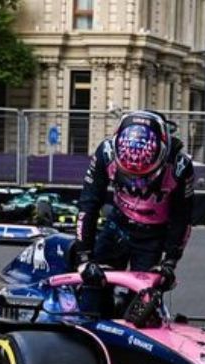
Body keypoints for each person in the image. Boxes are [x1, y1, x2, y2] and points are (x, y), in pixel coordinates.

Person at [74, 110, 195, 291]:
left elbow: (182, 218)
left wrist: (169, 262)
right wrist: (84, 258)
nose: (137, 183)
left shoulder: (180, 167)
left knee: (144, 301)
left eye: (144, 176)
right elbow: (88, 204)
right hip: (117, 227)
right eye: (130, 175)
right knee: (92, 290)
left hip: (153, 236)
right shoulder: (105, 153)